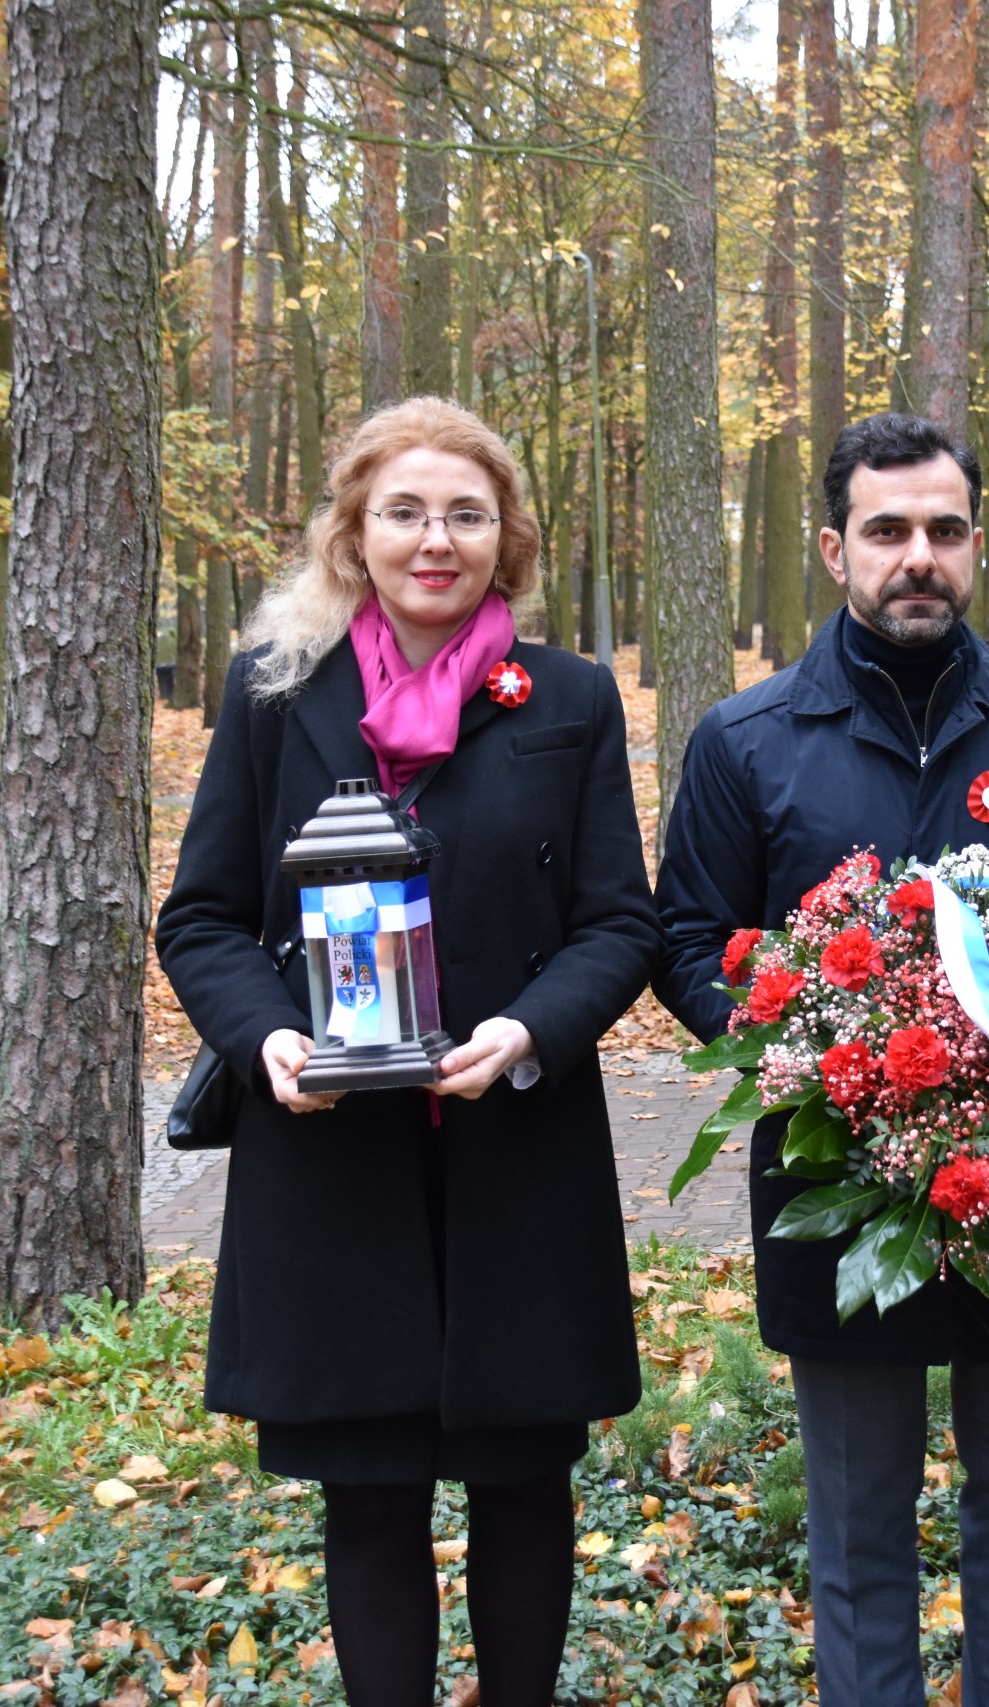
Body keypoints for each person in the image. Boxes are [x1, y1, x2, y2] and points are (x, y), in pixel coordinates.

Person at [156, 397, 659, 1707]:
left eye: (465, 513)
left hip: (518, 1153)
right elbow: (202, 914)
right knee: (368, 1491)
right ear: (351, 534)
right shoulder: (275, 694)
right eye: (404, 511)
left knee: (520, 1483)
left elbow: (619, 923)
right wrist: (264, 1035)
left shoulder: (569, 701)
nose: (435, 538)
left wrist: (527, 1028)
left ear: (508, 538)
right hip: (331, 1163)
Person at [655, 412, 989, 1707]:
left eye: (943, 529)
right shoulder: (745, 740)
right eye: (887, 530)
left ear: (976, 544)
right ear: (833, 546)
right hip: (834, 1185)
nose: (917, 554)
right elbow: (686, 938)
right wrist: (812, 1051)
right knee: (858, 1532)